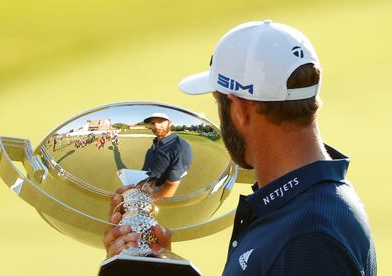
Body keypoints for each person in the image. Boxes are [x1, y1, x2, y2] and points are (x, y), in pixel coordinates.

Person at [104, 20, 376, 275]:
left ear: (240, 110)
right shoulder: (298, 207)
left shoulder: (309, 237)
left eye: (217, 102)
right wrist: (158, 266)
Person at [140, 112, 193, 199]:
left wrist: (150, 200)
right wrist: (141, 183)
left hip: (156, 189)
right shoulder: (156, 142)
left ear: (170, 123)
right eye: (153, 123)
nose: (156, 126)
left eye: (161, 122)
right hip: (144, 182)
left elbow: (171, 186)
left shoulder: (181, 147)